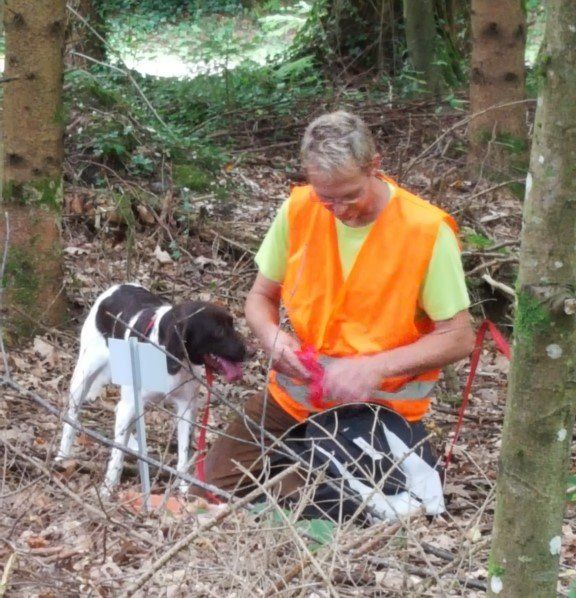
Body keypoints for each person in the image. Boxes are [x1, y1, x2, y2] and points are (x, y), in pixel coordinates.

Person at [202, 111, 475, 521]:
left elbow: (459, 337)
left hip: (379, 410)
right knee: (211, 487)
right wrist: (271, 336)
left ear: (375, 167)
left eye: (350, 195)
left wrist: (375, 367)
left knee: (325, 508)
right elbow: (260, 297)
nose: (339, 210)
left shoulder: (425, 231)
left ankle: (306, 479)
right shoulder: (298, 210)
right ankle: (294, 470)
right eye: (325, 198)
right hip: (294, 397)